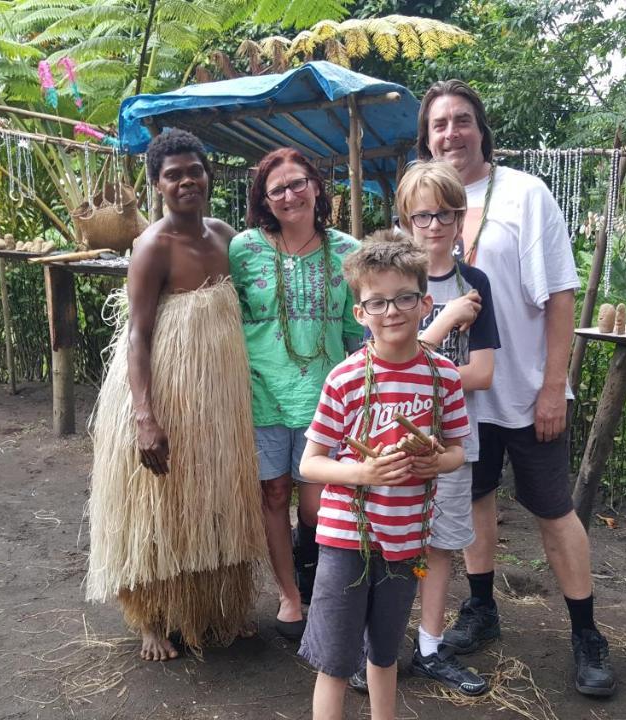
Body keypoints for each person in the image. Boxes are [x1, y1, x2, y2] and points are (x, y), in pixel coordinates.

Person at [418, 79, 616, 696]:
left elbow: (559, 291)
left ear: (481, 129)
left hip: (527, 389)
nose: (452, 133)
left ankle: (586, 633)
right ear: (426, 138)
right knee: (474, 503)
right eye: (439, 124)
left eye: (462, 120)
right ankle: (482, 607)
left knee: (553, 510)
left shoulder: (526, 194)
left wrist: (555, 384)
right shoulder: (424, 202)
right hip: (458, 397)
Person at [85, 129, 267, 661]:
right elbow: (138, 337)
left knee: (214, 496)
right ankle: (151, 619)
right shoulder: (151, 248)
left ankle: (213, 611)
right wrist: (146, 417)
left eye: (194, 170)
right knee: (159, 506)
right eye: (173, 174)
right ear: (157, 185)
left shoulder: (225, 235)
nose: (186, 181)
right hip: (165, 387)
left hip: (218, 395)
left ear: (208, 175)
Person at [298, 233, 469, 720]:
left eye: (404, 298)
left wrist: (438, 462)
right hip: (346, 538)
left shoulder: (444, 377)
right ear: (360, 312)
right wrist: (363, 471)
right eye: (377, 302)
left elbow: (458, 450)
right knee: (334, 661)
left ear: (425, 303)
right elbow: (310, 464)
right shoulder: (345, 378)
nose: (391, 311)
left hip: (407, 538)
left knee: (386, 652)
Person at [229, 148, 364, 639]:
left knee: (317, 505)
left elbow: (358, 334)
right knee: (273, 492)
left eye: (298, 183)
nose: (290, 195)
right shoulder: (243, 249)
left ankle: (314, 579)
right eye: (278, 189)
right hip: (262, 393)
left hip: (326, 398)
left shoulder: (348, 251)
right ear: (265, 201)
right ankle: (290, 595)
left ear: (316, 186)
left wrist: (364, 396)